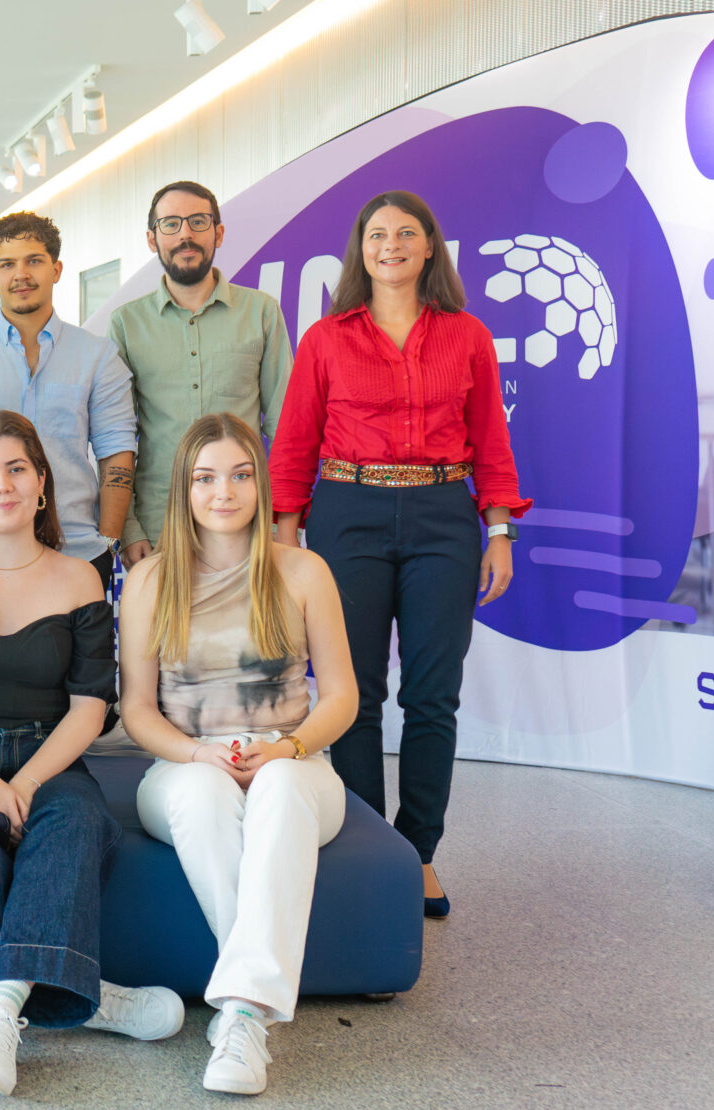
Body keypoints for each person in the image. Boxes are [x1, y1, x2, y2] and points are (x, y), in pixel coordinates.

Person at [0, 411, 181, 1098]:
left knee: (78, 820)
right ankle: (77, 994)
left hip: (48, 754)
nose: (2, 486)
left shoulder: (80, 578)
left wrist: (22, 782)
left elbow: (89, 709)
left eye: (16, 469)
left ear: (43, 483)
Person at [268, 190, 527, 918]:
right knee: (353, 692)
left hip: (443, 517)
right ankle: (364, 849)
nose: (391, 245)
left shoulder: (467, 335)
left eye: (406, 232)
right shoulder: (326, 338)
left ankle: (417, 854)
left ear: (429, 246)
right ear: (361, 249)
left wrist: (499, 530)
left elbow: (491, 439)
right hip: (347, 513)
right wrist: (286, 537)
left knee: (432, 693)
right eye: (377, 234)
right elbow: (294, 442)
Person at [119, 412, 358, 1096]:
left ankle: (240, 1015)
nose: (223, 492)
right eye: (205, 478)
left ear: (261, 484)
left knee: (280, 784)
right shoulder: (150, 580)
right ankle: (249, 1007)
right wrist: (196, 755)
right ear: (184, 488)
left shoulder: (304, 570)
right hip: (184, 764)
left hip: (298, 761)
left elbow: (342, 695)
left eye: (240, 475)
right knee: (203, 793)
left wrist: (287, 746)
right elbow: (137, 709)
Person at [0, 211, 137, 586]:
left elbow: (117, 451)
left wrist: (107, 543)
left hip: (77, 551)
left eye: (34, 261)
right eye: (7, 264)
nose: (20, 275)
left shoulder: (98, 356)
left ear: (56, 270)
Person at [104, 181, 291, 569]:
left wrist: (278, 522)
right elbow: (116, 437)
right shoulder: (126, 324)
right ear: (152, 239)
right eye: (170, 224)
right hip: (160, 523)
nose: (185, 234)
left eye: (198, 221)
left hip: (245, 518)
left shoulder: (261, 312)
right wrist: (130, 528)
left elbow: (285, 428)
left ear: (218, 233)